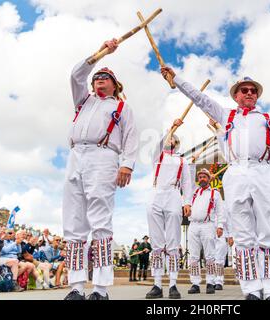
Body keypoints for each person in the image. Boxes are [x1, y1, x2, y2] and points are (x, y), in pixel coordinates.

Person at [161, 67, 270, 300]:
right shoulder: (226, 116)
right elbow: (199, 98)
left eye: (253, 91)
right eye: (244, 90)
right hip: (235, 173)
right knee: (244, 234)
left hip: (263, 171)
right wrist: (176, 79)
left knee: (269, 231)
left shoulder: (268, 119)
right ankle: (252, 290)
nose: (249, 93)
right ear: (236, 95)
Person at [63, 38, 138, 300]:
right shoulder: (83, 100)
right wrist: (100, 54)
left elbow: (131, 137)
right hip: (76, 156)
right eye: (97, 77)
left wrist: (127, 165)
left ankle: (101, 288)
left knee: (100, 221)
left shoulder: (121, 106)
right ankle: (75, 286)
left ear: (116, 85)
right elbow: (76, 74)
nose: (99, 80)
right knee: (73, 222)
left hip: (103, 155)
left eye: (105, 77)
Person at [145, 118, 193, 300]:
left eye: (173, 138)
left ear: (177, 143)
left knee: (173, 242)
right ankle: (157, 284)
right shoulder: (157, 156)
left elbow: (187, 184)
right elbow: (158, 145)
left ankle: (173, 284)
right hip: (156, 194)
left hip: (173, 195)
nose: (170, 140)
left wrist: (187, 202)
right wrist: (171, 128)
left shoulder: (182, 161)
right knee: (156, 243)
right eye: (168, 138)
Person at [187, 168, 225, 295]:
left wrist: (220, 226)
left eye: (204, 176)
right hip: (193, 225)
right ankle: (195, 283)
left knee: (210, 256)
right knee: (193, 256)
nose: (202, 179)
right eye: (200, 177)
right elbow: (188, 177)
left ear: (209, 179)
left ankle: (210, 282)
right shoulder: (194, 192)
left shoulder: (215, 193)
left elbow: (220, 211)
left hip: (208, 225)